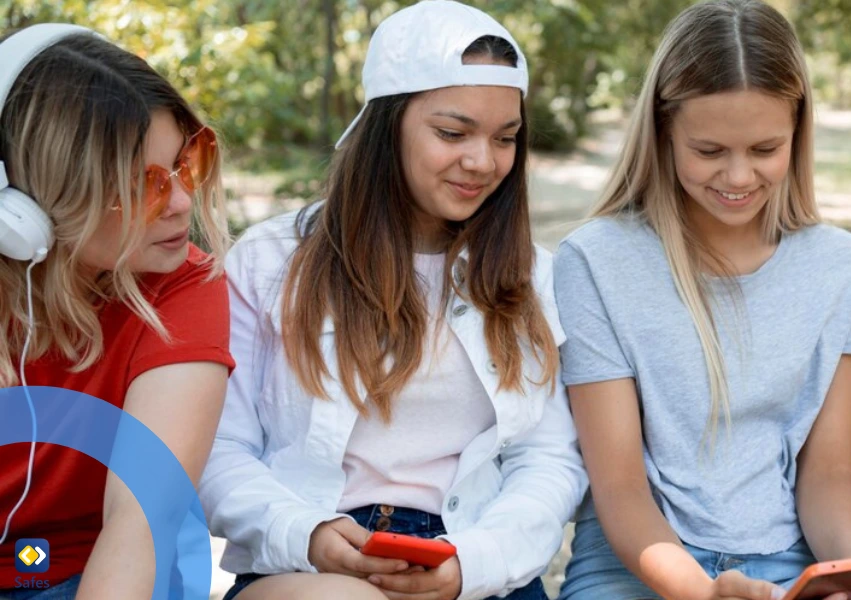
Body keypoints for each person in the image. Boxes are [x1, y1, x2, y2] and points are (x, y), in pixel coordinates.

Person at [197, 3, 587, 600]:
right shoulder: (272, 260)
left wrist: (473, 564)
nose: (482, 162)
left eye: (505, 138)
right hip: (310, 569)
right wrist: (307, 533)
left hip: (472, 564)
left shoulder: (533, 277)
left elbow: (549, 461)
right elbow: (220, 448)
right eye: (452, 134)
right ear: (387, 126)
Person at [553, 1, 851, 599]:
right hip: (638, 561)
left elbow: (826, 473)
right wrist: (703, 593)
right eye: (710, 151)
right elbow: (620, 488)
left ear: (798, 131)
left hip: (790, 560)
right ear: (664, 132)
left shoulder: (843, 268)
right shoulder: (595, 261)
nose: (738, 177)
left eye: (765, 150)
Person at [0, 23, 234, 600]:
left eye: (186, 163)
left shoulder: (185, 283)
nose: (182, 203)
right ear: (32, 201)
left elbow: (139, 523)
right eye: (144, 185)